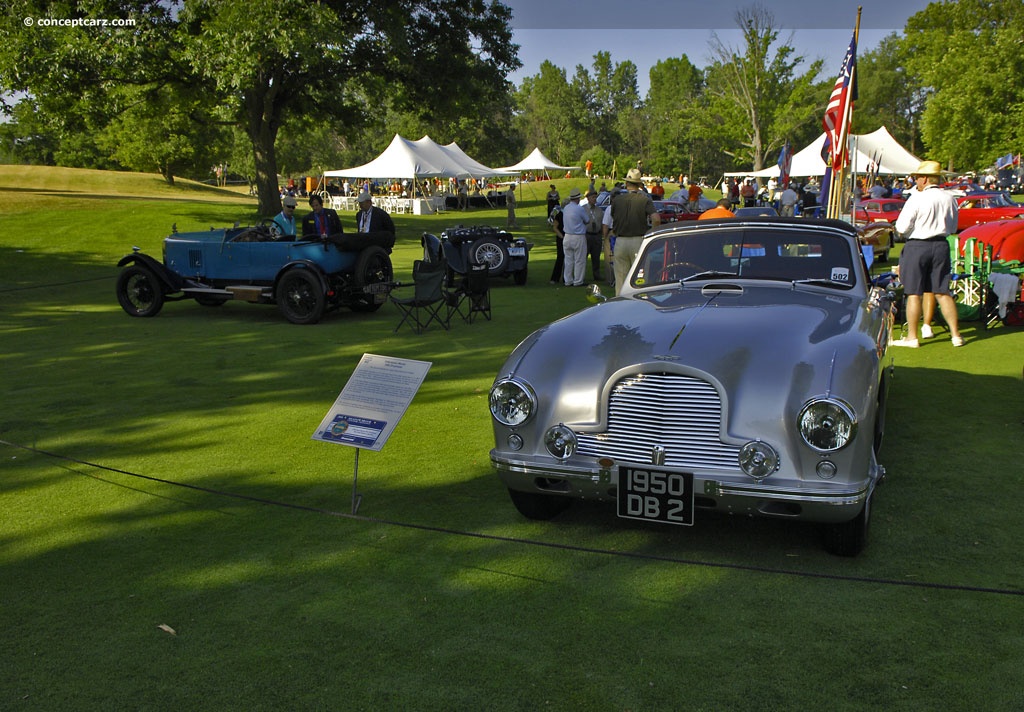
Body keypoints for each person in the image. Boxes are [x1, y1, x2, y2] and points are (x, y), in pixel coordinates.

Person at [891, 160, 964, 348]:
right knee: (942, 291)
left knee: (913, 292)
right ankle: (956, 335)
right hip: (941, 244)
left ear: (924, 178)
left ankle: (912, 337)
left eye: (917, 178)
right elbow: (954, 226)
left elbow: (901, 227)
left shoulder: (916, 198)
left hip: (918, 245)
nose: (916, 181)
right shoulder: (950, 198)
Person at [610, 168, 659, 294]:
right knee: (640, 278)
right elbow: (656, 219)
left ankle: (621, 304)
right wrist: (651, 233)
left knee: (620, 278)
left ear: (627, 184)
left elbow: (612, 217)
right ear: (639, 185)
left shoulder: (617, 200)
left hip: (620, 240)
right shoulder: (644, 200)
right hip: (638, 240)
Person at [561, 188, 588, 287]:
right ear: (578, 198)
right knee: (579, 260)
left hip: (567, 235)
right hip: (578, 236)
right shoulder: (579, 208)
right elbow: (587, 220)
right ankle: (578, 280)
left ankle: (568, 280)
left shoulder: (566, 208)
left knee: (568, 260)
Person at [582, 189, 604, 281]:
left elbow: (602, 223)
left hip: (597, 235)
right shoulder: (583, 209)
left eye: (595, 197)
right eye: (593, 197)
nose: (594, 199)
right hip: (587, 235)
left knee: (596, 257)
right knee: (583, 256)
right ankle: (581, 276)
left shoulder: (599, 210)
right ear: (588, 198)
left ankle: (597, 275)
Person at [548, 200, 566, 285]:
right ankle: (555, 278)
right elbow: (555, 227)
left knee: (568, 258)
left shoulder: (567, 215)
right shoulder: (559, 215)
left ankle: (566, 277)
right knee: (560, 257)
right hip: (561, 238)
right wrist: (561, 236)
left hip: (567, 237)